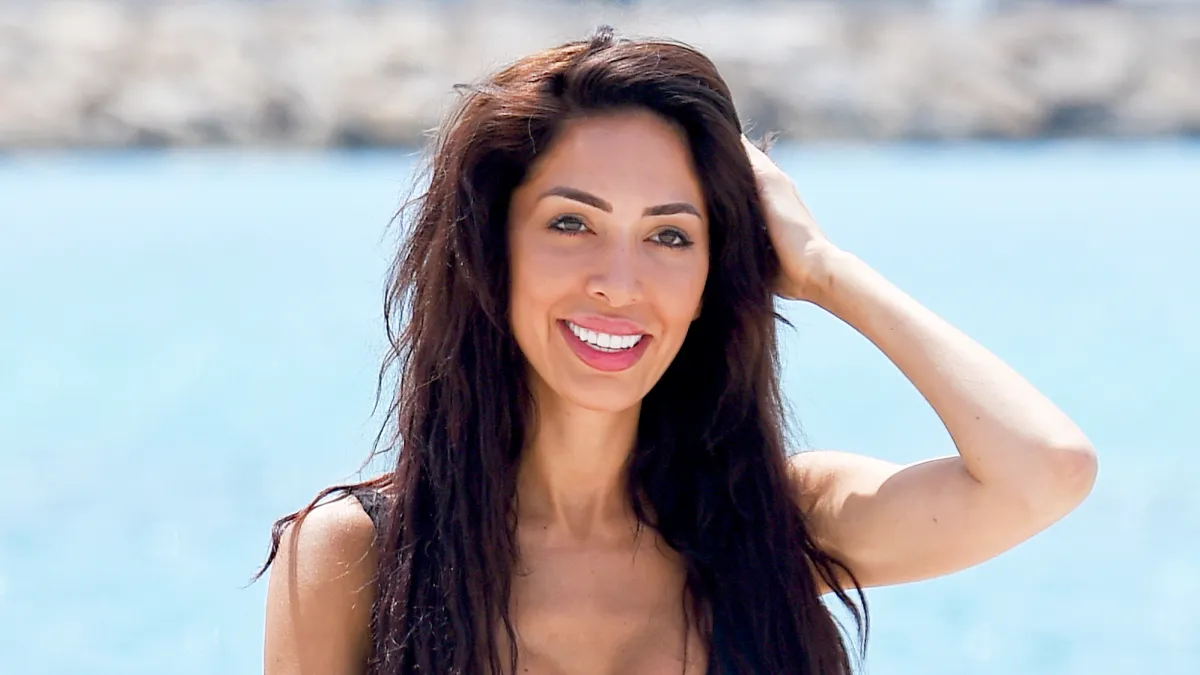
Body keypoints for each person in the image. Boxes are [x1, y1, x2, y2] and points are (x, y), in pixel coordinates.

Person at [256, 27, 1097, 675]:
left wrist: (823, 269)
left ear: (711, 275)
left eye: (669, 234)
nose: (619, 283)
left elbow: (1046, 468)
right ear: (491, 250)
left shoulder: (777, 518)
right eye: (571, 223)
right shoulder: (357, 553)